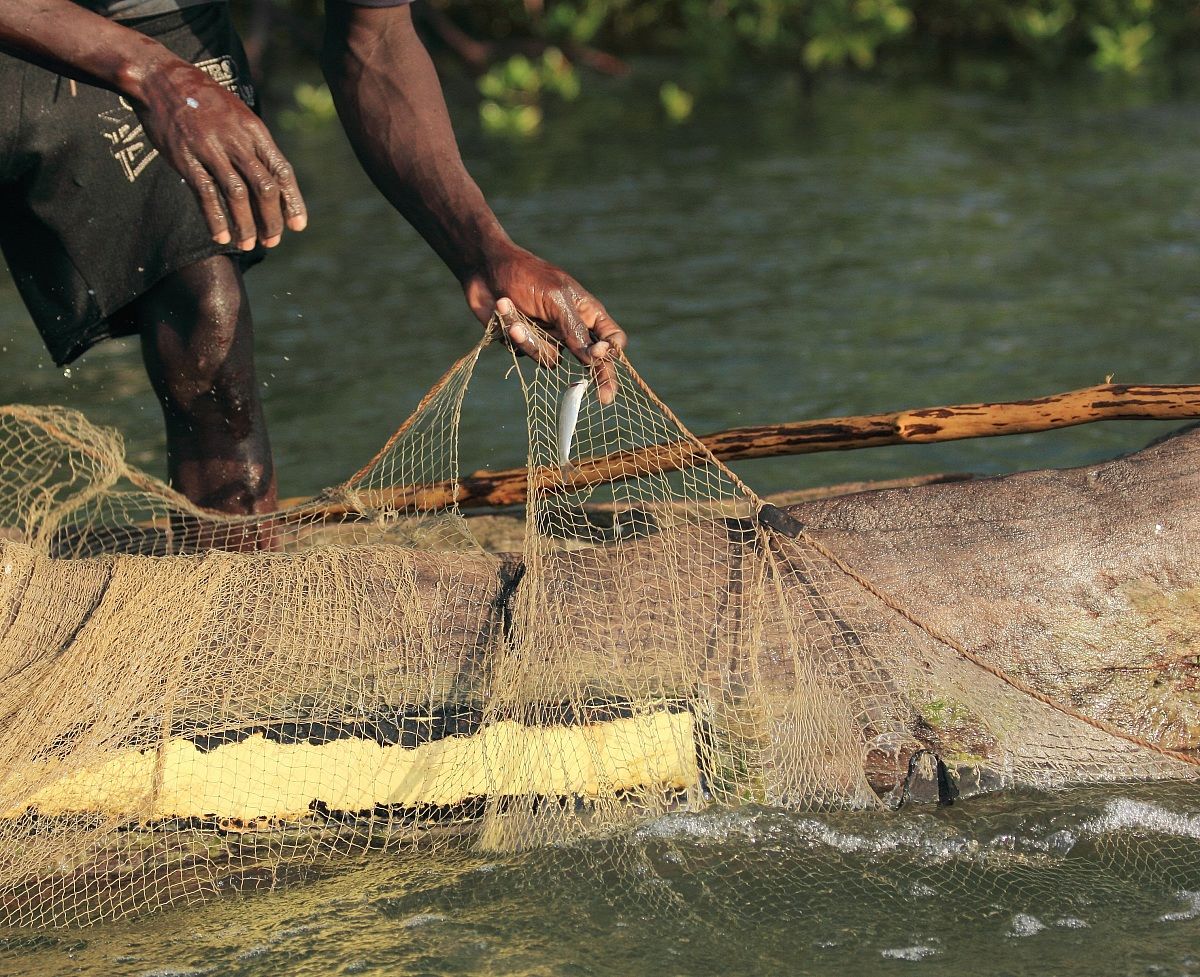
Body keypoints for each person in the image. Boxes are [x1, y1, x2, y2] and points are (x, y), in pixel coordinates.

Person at [0, 0, 626, 516]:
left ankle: (228, 596)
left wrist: (483, 251)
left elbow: (375, 42)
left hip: (156, 18)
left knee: (209, 321)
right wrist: (155, 76)